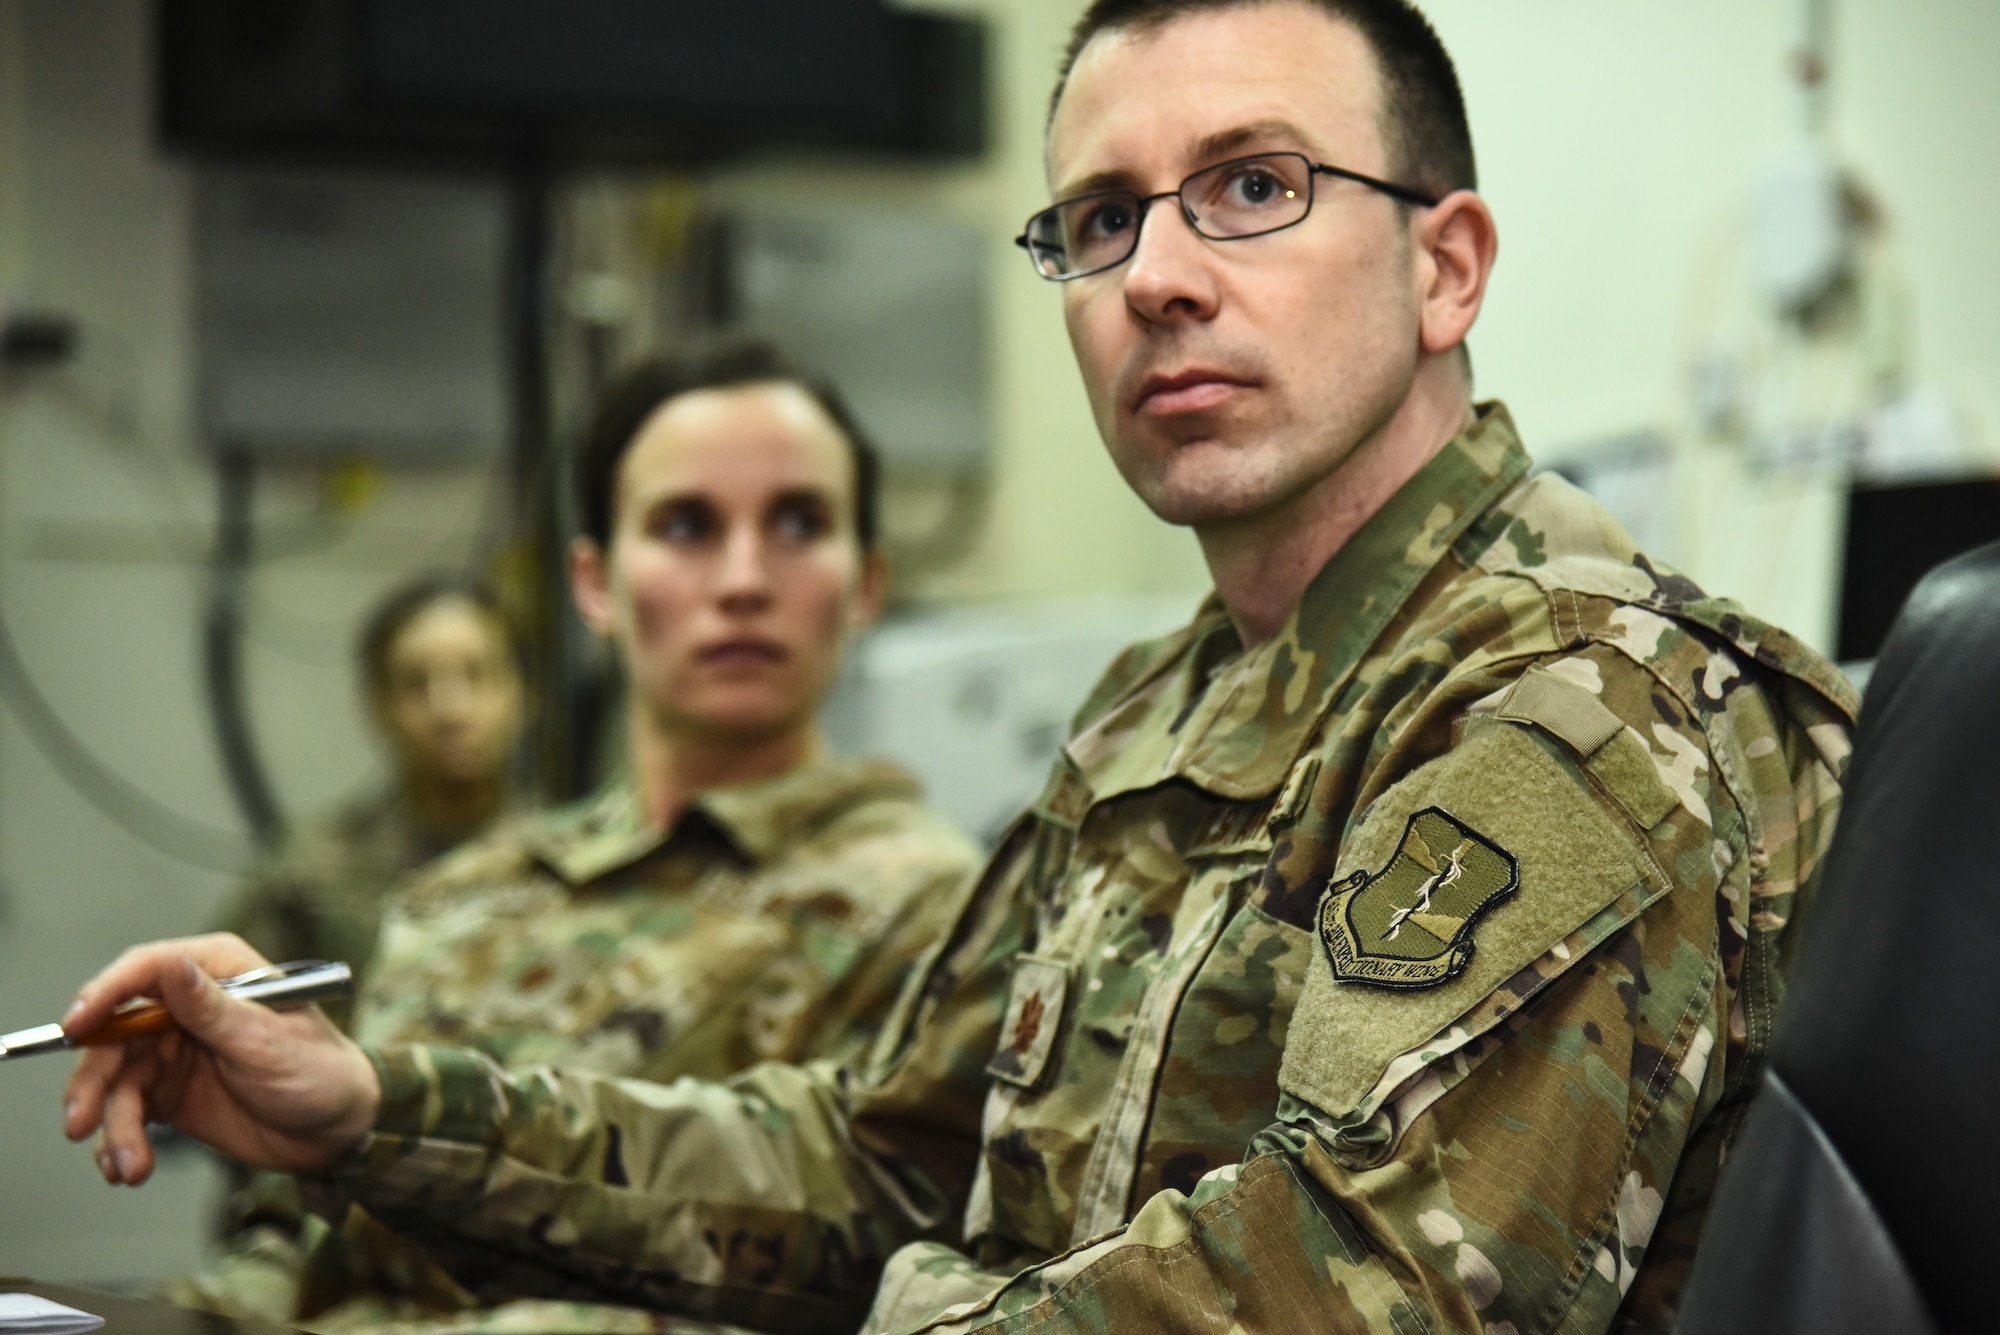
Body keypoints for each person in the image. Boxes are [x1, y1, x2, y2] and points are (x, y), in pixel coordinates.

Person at [60, 4, 1859, 1332]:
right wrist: (379, 1108)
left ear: (1445, 265)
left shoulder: (1571, 697)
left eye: (1253, 186)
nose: (1159, 274)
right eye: (1100, 219)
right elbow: (882, 1170)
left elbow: (1371, 1290)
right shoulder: (1170, 707)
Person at [164, 343, 983, 1332]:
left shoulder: (935, 909)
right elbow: (296, 1234)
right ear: (594, 584)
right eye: (685, 525)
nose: (741, 578)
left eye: (798, 523)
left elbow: (863, 1270)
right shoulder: (465, 893)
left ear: (864, 586)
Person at [213, 576, 527, 1032]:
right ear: (376, 705)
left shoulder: (571, 865)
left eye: (478, 675)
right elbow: (225, 1007)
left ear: (522, 693)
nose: (451, 709)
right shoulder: (317, 870)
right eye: (416, 684)